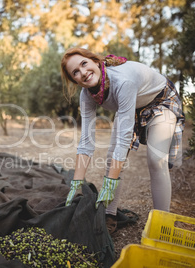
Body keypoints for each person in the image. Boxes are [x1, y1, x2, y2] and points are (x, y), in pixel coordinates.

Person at [61, 47, 185, 233]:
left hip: (160, 101)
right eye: (75, 72)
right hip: (131, 105)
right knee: (112, 158)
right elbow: (86, 142)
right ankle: (109, 215)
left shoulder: (122, 81)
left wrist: (110, 183)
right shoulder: (86, 96)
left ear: (96, 61)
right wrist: (76, 185)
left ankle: (163, 225)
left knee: (155, 159)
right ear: (75, 81)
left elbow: (123, 140)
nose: (83, 72)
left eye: (84, 63)